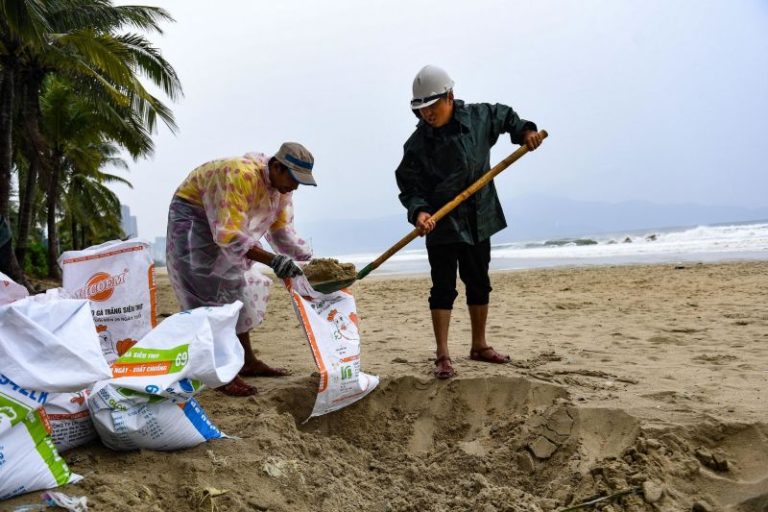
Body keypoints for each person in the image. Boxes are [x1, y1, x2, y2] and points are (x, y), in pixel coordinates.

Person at [395, 65, 544, 379]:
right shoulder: (417, 145)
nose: (428, 115)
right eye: (421, 109)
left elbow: (506, 117)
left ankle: (479, 345)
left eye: (433, 107)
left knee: (478, 282)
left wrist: (525, 132)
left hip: (479, 215)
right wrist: (420, 212)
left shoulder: (478, 119)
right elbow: (410, 186)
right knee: (443, 288)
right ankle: (443, 355)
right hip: (441, 222)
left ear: (450, 96)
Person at [166, 142, 316, 396]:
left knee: (236, 290)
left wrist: (309, 262)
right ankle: (221, 372)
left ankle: (247, 361)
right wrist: (274, 261)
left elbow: (281, 232)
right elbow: (228, 235)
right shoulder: (241, 175)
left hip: (225, 227)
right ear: (277, 166)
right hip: (193, 219)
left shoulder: (281, 190)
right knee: (207, 296)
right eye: (293, 178)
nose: (295, 186)